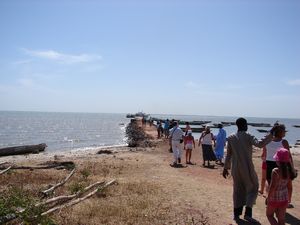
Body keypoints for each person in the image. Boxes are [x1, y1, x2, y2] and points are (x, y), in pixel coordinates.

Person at [223, 117, 274, 223]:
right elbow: (260, 144)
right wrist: (271, 134)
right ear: (244, 125)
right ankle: (248, 212)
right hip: (247, 167)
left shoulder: (231, 137)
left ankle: (236, 214)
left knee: (237, 190)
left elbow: (228, 155)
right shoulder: (248, 136)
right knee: (253, 187)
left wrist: (225, 168)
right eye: (246, 124)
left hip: (235, 168)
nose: (247, 126)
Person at [265, 123, 295, 207]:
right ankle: (288, 201)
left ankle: (269, 198)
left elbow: (265, 152)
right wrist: (291, 167)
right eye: (284, 131)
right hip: (281, 163)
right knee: (288, 183)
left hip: (269, 162)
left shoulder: (268, 140)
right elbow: (288, 155)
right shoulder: (284, 141)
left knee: (270, 181)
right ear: (281, 132)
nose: (285, 133)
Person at [266, 148, 293, 225]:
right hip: (284, 199)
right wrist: (289, 199)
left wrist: (268, 198)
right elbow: (290, 187)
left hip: (273, 199)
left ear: (277, 160)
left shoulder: (275, 171)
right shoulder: (289, 171)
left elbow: (273, 186)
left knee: (269, 215)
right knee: (281, 219)